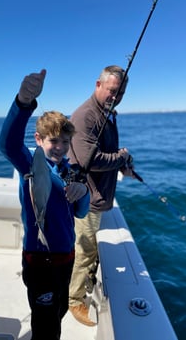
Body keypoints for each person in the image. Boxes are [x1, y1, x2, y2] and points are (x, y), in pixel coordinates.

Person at [0, 69, 90, 340]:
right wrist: (23, 102)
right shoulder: (30, 162)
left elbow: (81, 212)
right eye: (53, 140)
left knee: (59, 308)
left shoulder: (68, 171)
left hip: (66, 257)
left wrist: (82, 191)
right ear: (38, 140)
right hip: (40, 261)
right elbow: (7, 144)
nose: (60, 147)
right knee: (46, 326)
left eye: (65, 141)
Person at [67, 65, 135, 326]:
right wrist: (121, 157)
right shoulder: (85, 116)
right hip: (87, 199)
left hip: (99, 196)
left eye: (121, 93)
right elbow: (89, 159)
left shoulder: (108, 112)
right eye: (112, 91)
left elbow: (108, 150)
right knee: (84, 250)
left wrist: (123, 164)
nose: (116, 97)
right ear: (98, 85)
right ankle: (74, 300)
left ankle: (84, 285)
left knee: (91, 249)